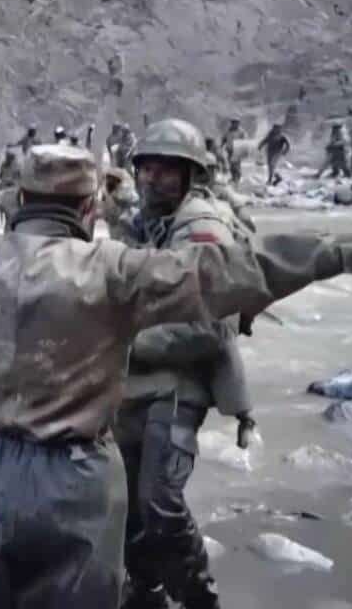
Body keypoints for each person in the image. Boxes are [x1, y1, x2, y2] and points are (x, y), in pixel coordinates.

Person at [0, 144, 352, 609]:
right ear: (89, 208)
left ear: (20, 200)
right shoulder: (116, 271)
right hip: (76, 476)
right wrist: (339, 251)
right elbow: (234, 270)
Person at [118, 120, 258, 609]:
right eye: (146, 169)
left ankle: (200, 597)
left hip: (182, 380)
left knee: (160, 501)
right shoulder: (142, 222)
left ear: (190, 175)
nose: (151, 179)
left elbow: (212, 326)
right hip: (134, 381)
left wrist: (129, 344)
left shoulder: (202, 228)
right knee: (126, 500)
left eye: (165, 170)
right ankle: (146, 589)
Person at [221, 118, 245, 184]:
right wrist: (221, 145)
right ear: (232, 123)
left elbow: (244, 140)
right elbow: (224, 139)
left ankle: (237, 177)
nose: (235, 124)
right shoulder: (228, 131)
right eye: (233, 123)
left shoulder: (241, 131)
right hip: (230, 150)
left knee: (236, 164)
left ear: (238, 124)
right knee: (231, 164)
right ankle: (233, 177)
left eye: (236, 123)